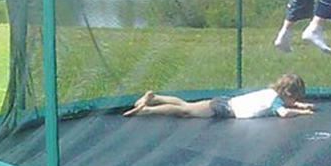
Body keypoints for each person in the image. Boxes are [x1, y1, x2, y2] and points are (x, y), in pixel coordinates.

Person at [123, 73, 315, 119]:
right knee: (185, 110)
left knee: (186, 104)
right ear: (287, 94)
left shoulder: (270, 93)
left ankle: (155, 97)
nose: (296, 102)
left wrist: (299, 105)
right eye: (295, 98)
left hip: (224, 102)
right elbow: (283, 113)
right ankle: (148, 110)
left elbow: (285, 104)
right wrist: (303, 112)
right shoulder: (276, 102)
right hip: (223, 108)